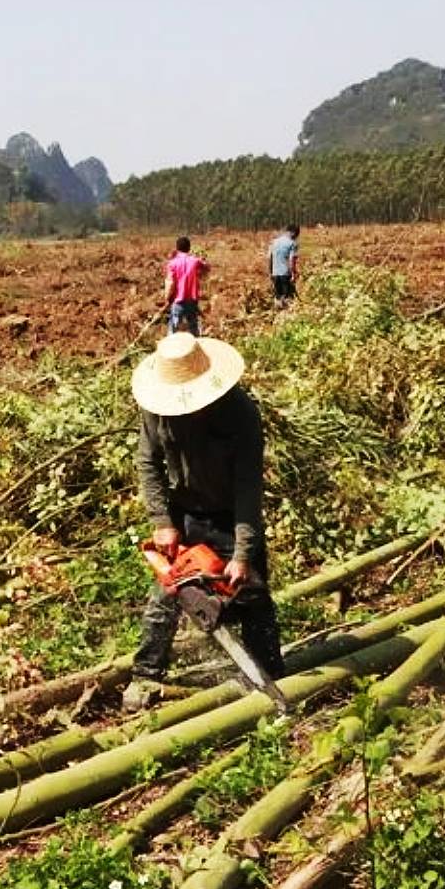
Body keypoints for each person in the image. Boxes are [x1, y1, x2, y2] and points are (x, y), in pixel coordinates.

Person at [129, 331, 285, 685]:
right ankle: (145, 675)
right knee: (167, 595)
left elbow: (249, 488)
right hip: (185, 513)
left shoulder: (240, 414)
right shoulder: (156, 411)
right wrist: (162, 521)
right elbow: (147, 462)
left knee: (253, 598)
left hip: (231, 515)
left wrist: (243, 553)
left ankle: (270, 677)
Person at [163, 237, 208, 335]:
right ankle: (196, 347)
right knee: (193, 328)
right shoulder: (195, 261)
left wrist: (167, 298)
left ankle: (171, 348)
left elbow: (170, 283)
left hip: (178, 301)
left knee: (173, 329)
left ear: (177, 248)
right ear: (189, 248)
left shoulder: (172, 263)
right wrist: (203, 260)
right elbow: (206, 268)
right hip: (192, 300)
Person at [267, 225, 300, 309]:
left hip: (275, 274)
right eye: (296, 235)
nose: (296, 238)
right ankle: (287, 318)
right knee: (288, 299)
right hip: (286, 274)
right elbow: (291, 260)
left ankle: (277, 316)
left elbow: (270, 258)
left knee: (277, 298)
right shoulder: (292, 243)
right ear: (293, 233)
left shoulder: (274, 242)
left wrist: (270, 272)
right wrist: (293, 274)